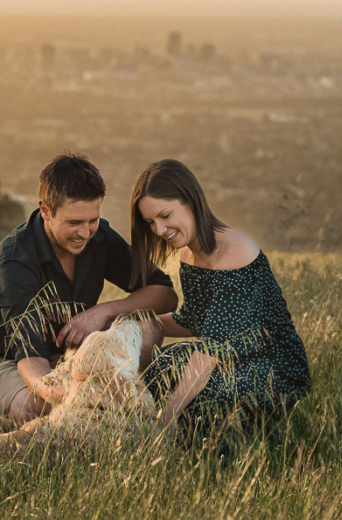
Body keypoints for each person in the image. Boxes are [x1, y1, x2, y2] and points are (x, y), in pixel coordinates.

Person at [0, 153, 178, 422]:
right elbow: (31, 359)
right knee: (36, 406)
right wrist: (71, 397)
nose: (85, 233)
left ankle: (119, 404)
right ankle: (99, 412)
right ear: (45, 211)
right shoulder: (14, 260)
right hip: (3, 363)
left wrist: (102, 312)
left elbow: (165, 294)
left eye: (92, 220)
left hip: (71, 356)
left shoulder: (100, 237)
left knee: (150, 325)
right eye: (74, 223)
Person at [129, 159, 310, 435]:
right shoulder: (188, 253)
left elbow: (209, 352)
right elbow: (194, 321)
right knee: (158, 367)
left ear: (191, 201)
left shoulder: (236, 253)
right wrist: (133, 324)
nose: (159, 230)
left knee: (201, 401)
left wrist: (167, 416)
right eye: (151, 222)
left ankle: (205, 446)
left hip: (274, 368)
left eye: (165, 215)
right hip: (231, 359)